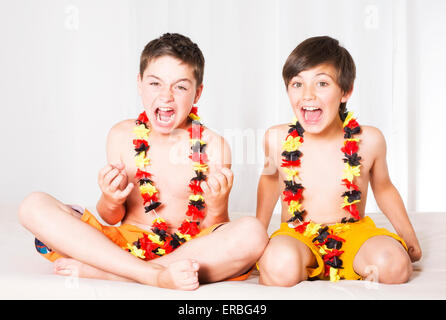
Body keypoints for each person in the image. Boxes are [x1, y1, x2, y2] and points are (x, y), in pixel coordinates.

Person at [19, 33, 268, 290]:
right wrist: (111, 198)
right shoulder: (121, 135)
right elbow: (111, 217)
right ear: (139, 84)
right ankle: (150, 274)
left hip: (190, 250)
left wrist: (217, 205)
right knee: (32, 205)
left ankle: (116, 273)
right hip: (125, 245)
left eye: (180, 86)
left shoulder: (215, 146)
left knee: (253, 233)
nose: (166, 96)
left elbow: (213, 228)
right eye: (155, 83)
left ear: (197, 93)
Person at [256, 36, 422, 286]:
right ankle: (303, 264)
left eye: (322, 83)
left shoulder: (370, 140)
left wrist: (409, 237)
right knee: (280, 266)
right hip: (297, 234)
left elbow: (384, 188)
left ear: (345, 91)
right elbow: (269, 182)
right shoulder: (276, 138)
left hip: (353, 233)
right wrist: (257, 235)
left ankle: (351, 264)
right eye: (297, 84)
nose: (308, 95)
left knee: (394, 266)